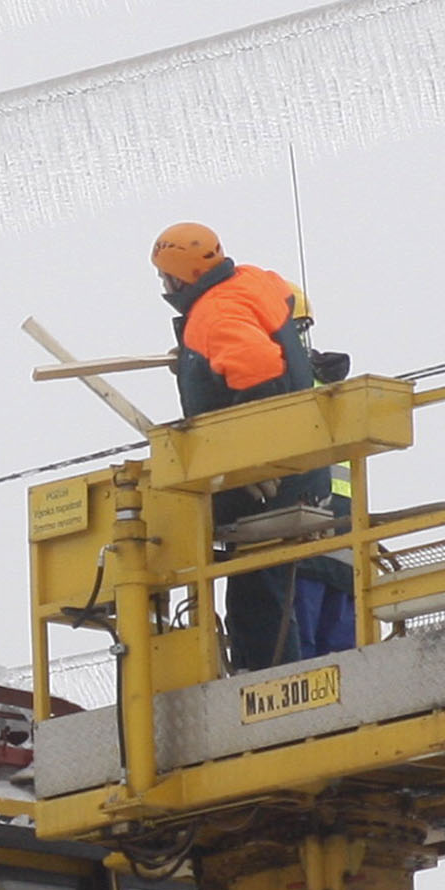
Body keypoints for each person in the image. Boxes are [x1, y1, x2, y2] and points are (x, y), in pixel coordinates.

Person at [152, 223, 354, 666]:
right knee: (269, 594)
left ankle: (269, 693)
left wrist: (252, 460)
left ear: (178, 277)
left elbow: (261, 372)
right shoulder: (254, 283)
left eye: (165, 278)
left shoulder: (213, 315)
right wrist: (198, 363)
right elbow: (266, 345)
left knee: (256, 599)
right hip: (300, 475)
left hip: (268, 488)